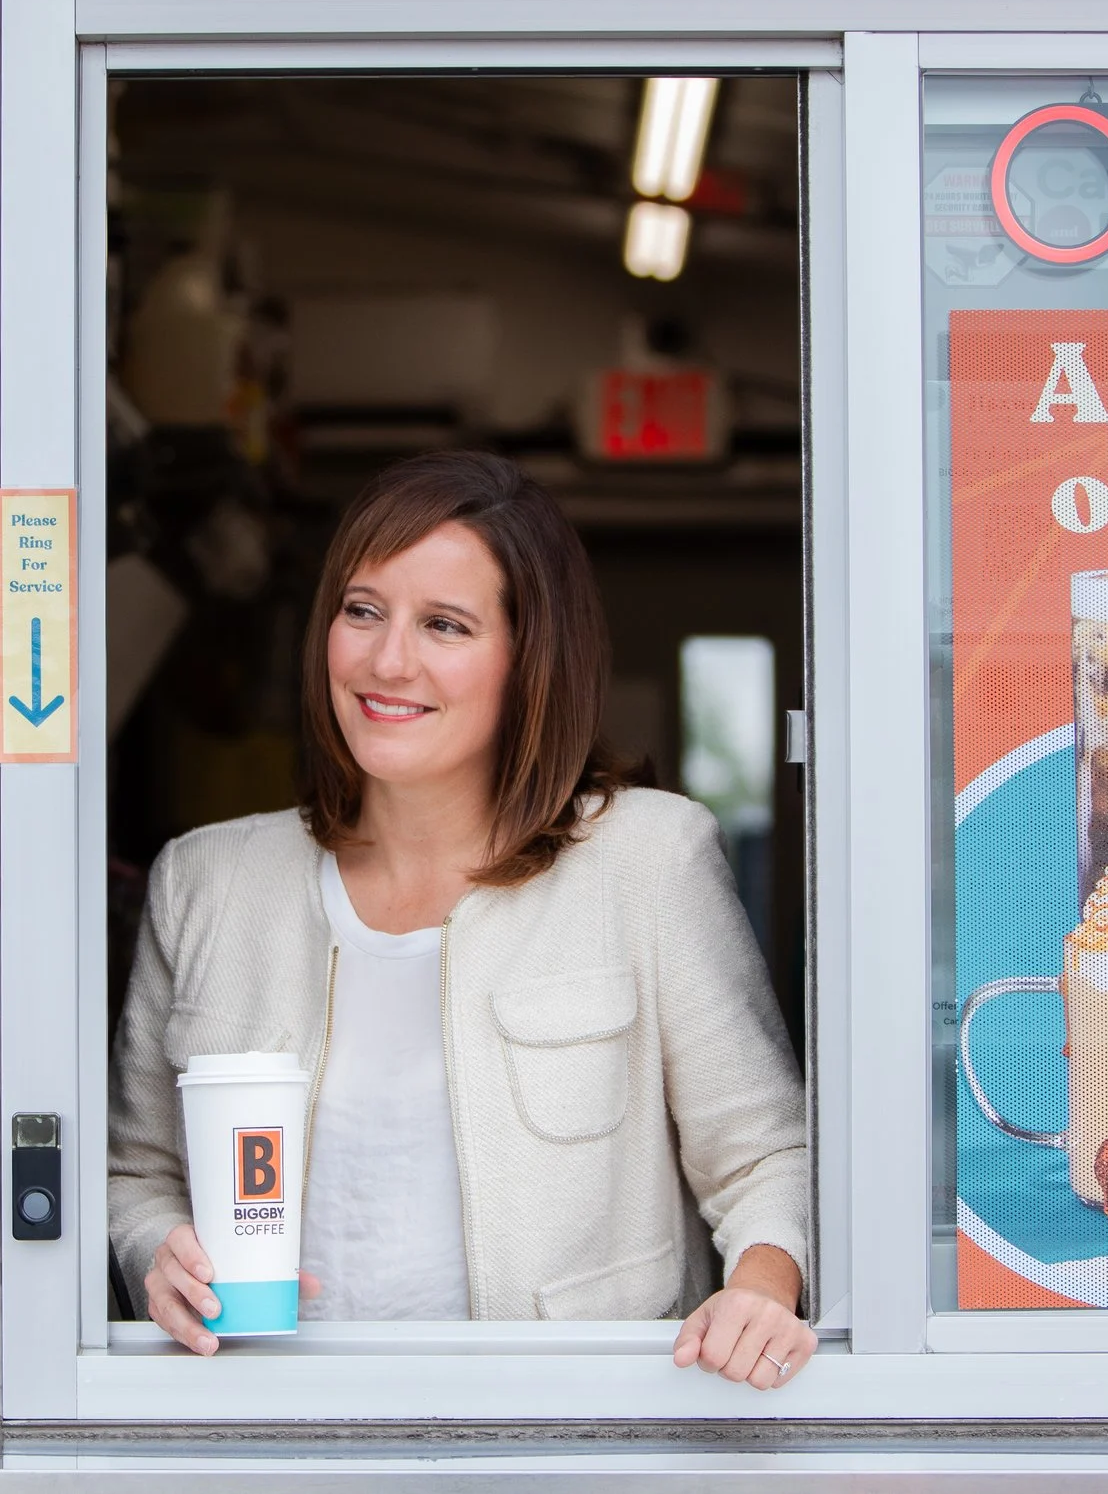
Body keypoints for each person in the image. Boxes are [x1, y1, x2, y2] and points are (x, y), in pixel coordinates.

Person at [109, 450, 814, 1389]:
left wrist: (761, 1290)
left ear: (530, 658)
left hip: (571, 1440)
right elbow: (134, 1177)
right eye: (363, 610)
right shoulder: (205, 881)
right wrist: (157, 1251)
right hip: (270, 1435)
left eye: (444, 624)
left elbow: (767, 1154)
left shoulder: (647, 861)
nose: (386, 659)